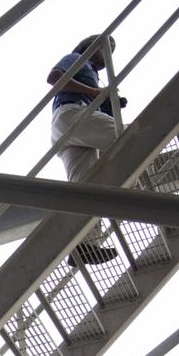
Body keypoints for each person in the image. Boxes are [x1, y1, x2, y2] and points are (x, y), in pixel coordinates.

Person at [48, 34, 125, 267]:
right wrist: (95, 93)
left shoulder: (94, 76)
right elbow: (55, 77)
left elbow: (101, 111)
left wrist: (111, 102)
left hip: (66, 127)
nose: (109, 54)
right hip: (72, 114)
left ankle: (85, 246)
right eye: (106, 48)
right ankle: (149, 195)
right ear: (93, 47)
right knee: (129, 138)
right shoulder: (79, 59)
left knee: (87, 188)